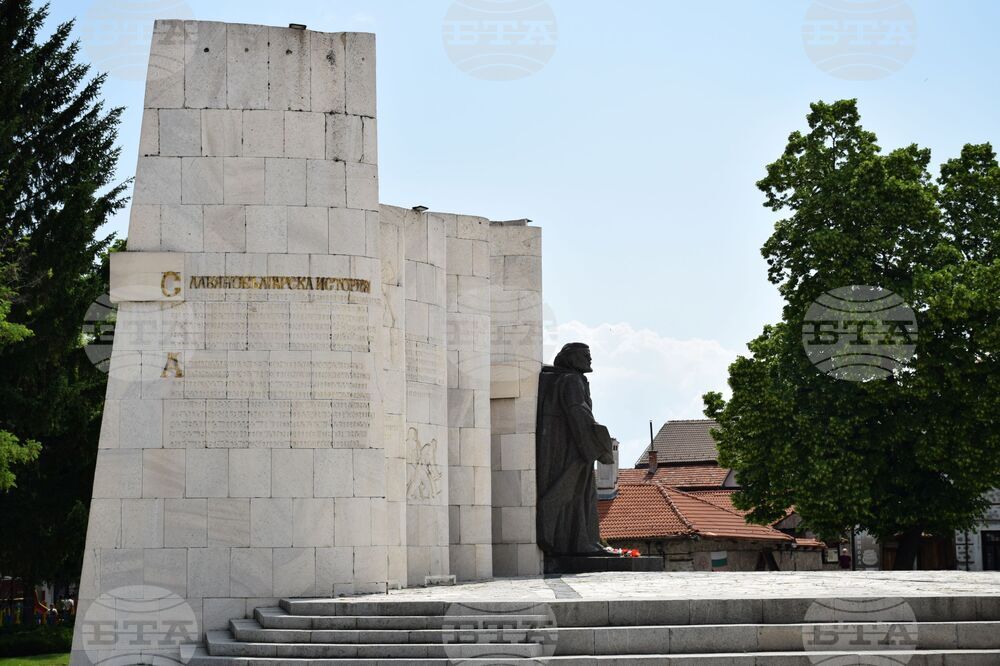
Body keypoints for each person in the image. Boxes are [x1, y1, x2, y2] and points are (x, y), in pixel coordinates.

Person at [536, 342, 615, 556]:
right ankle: (580, 543)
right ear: (571, 358)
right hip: (574, 447)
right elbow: (578, 412)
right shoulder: (571, 380)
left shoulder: (569, 379)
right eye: (585, 355)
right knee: (577, 494)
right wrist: (595, 445)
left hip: (572, 444)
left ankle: (583, 541)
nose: (590, 359)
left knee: (580, 494)